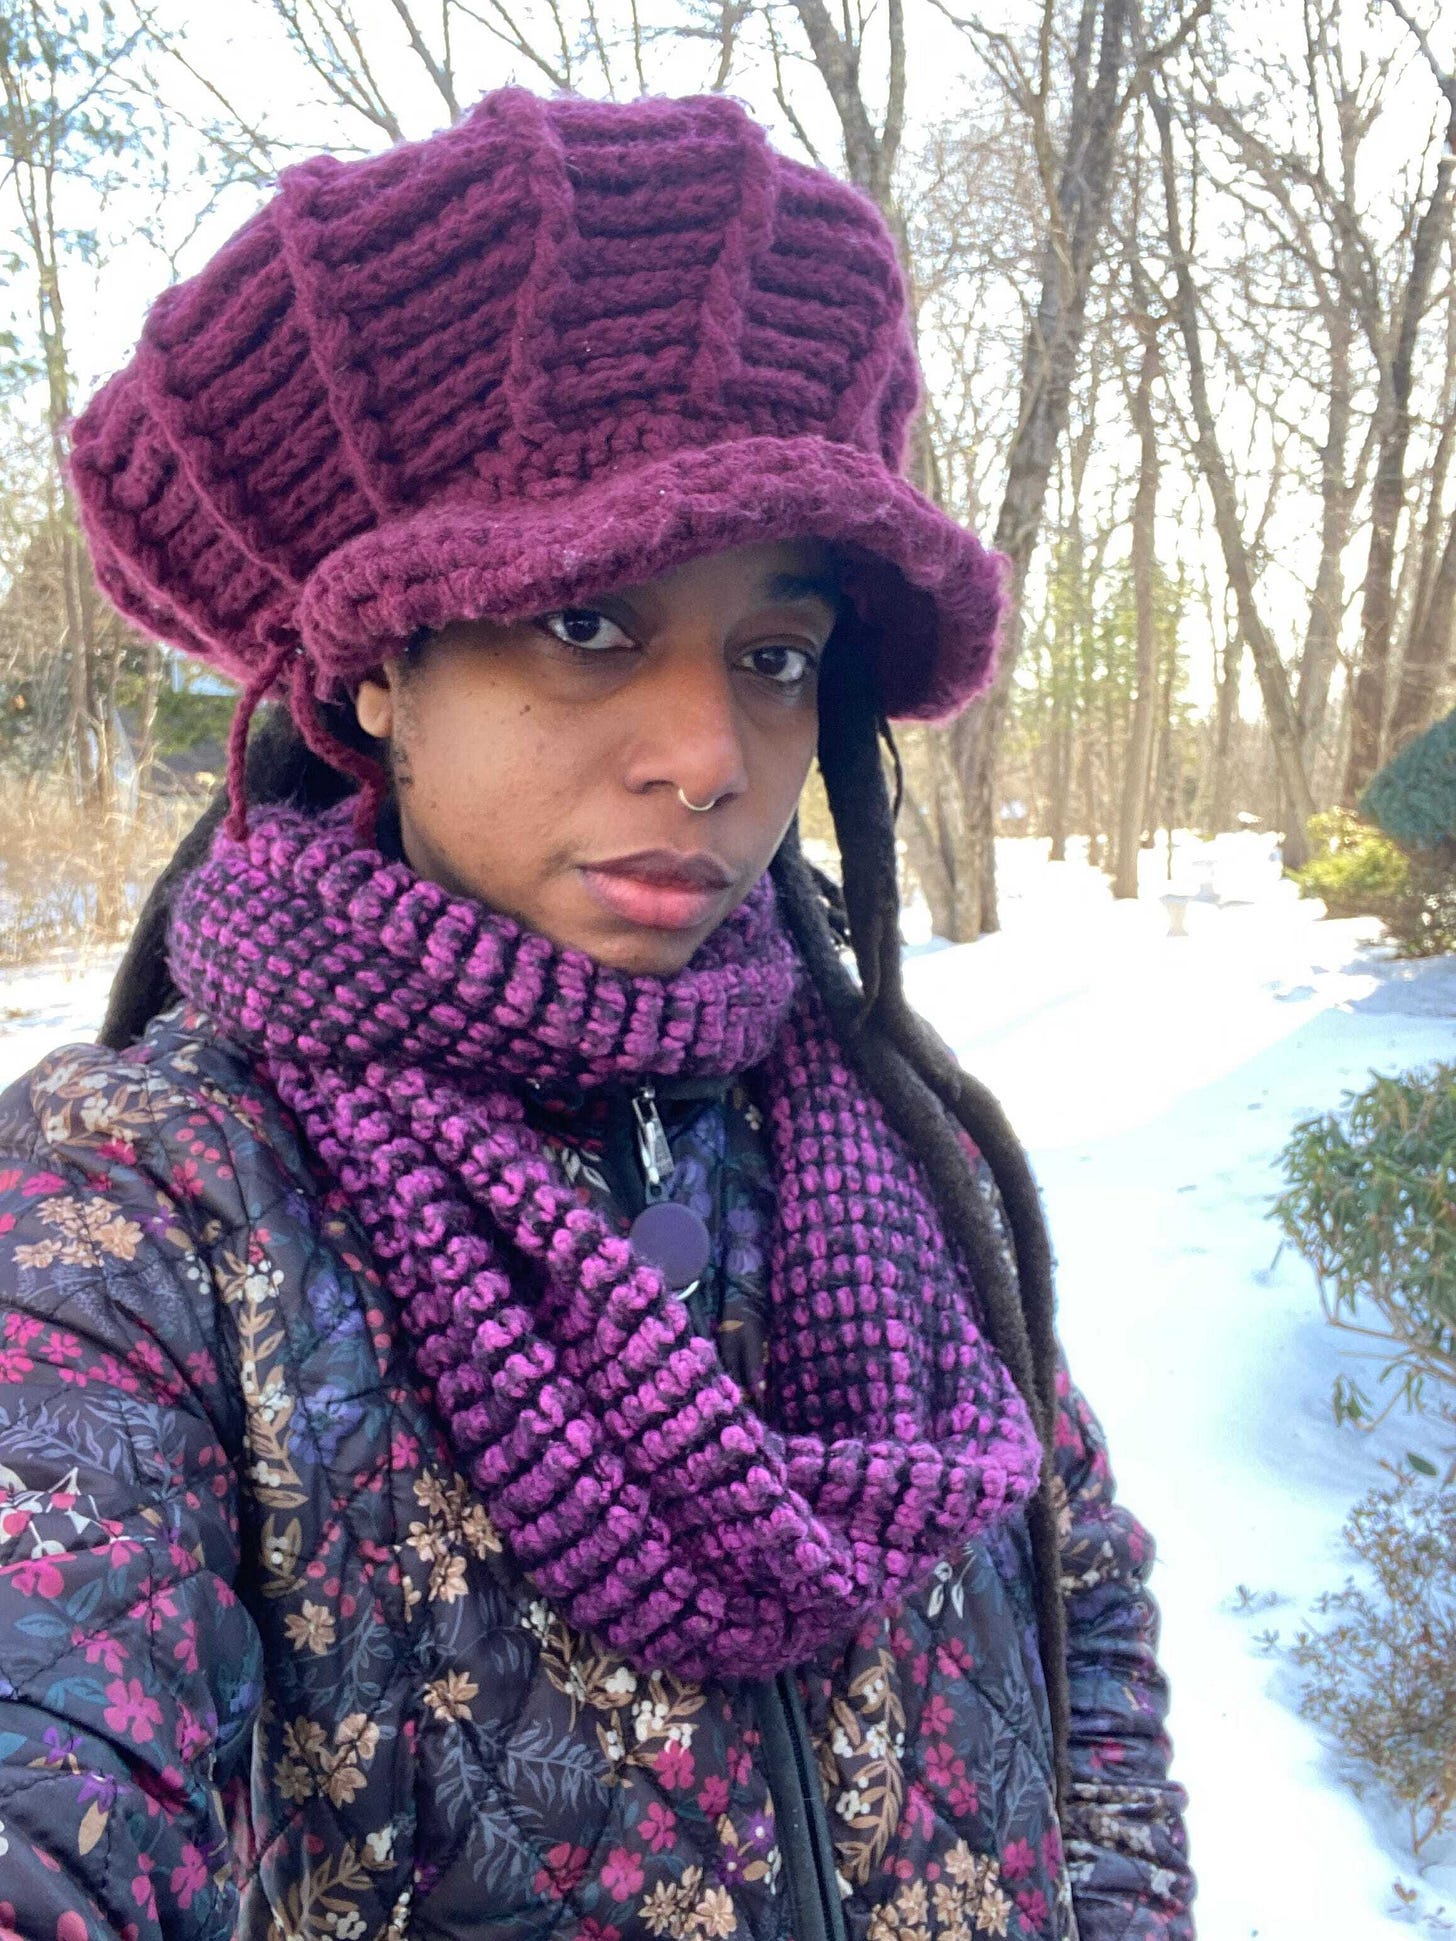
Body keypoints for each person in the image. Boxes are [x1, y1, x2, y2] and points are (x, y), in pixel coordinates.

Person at [0, 89, 1193, 1941]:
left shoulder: (895, 1141)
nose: (714, 757)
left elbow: (1081, 1602)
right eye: (588, 626)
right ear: (380, 668)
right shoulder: (142, 1222)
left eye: (775, 654)